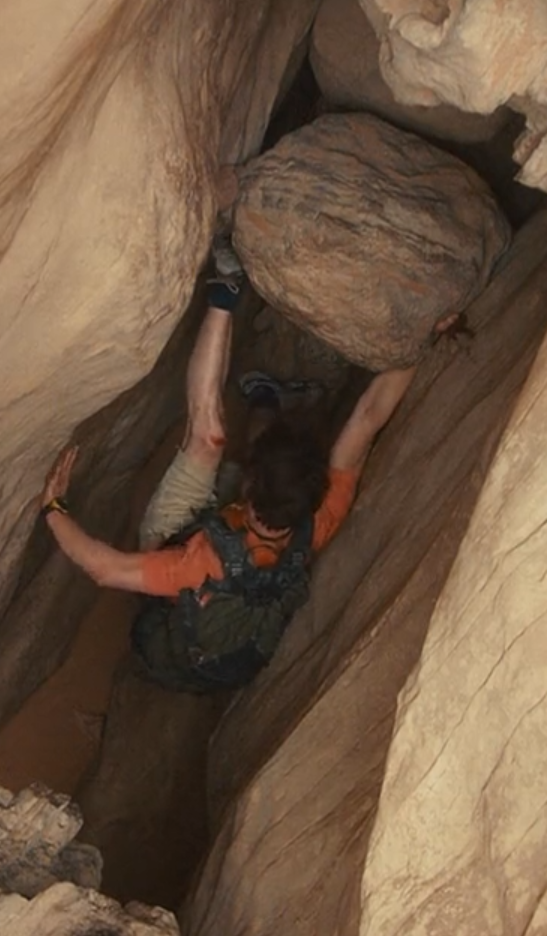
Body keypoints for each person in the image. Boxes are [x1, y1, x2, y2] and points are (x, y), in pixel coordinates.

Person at [36, 239, 418, 692]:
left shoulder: (198, 565)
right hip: (232, 571)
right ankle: (267, 395)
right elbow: (369, 418)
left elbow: (107, 569)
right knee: (241, 443)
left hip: (183, 554)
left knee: (208, 440)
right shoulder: (319, 523)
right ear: (315, 492)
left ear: (247, 487)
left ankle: (226, 288)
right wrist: (423, 337)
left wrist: (53, 509)